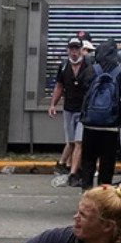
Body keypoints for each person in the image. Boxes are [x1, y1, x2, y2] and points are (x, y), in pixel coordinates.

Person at [75, 42, 121, 189]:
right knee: (107, 162)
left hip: (90, 123)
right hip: (111, 125)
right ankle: (104, 195)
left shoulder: (90, 70)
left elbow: (81, 90)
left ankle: (87, 192)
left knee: (88, 160)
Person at [49, 37, 93, 180]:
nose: (74, 52)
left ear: (81, 50)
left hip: (84, 110)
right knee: (71, 141)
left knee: (79, 141)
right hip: (69, 108)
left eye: (76, 49)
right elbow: (59, 86)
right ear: (68, 50)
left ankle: (73, 173)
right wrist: (52, 105)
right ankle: (67, 166)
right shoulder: (63, 66)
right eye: (71, 49)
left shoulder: (89, 65)